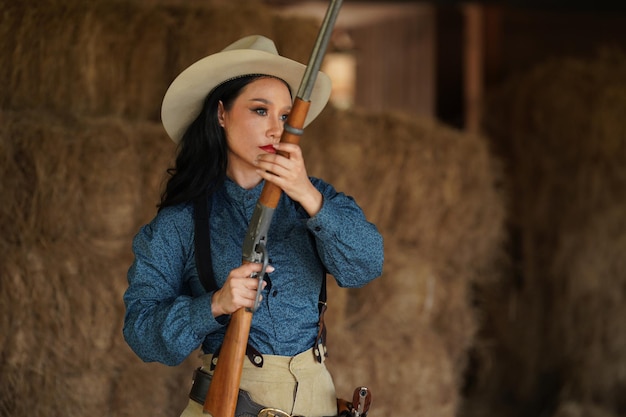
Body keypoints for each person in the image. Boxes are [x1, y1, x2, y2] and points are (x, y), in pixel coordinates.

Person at [123, 35, 384, 417]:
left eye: (284, 116)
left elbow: (367, 264)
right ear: (221, 114)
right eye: (260, 111)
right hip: (229, 404)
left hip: (317, 400)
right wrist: (214, 304)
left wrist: (307, 195)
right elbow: (141, 331)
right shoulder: (179, 223)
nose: (277, 129)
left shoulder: (315, 198)